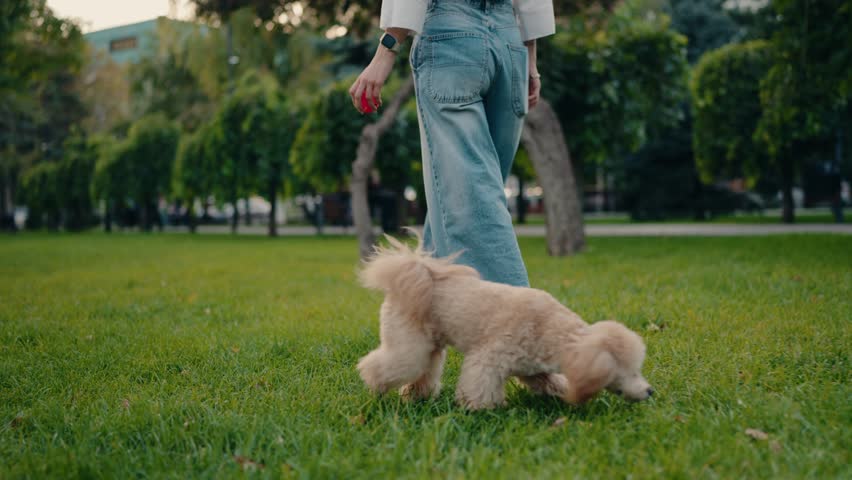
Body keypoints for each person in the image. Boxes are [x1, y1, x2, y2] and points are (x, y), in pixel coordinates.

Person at [349, 0, 555, 287]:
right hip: (511, 42)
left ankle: (520, 320)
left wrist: (387, 49)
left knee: (472, 196)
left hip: (453, 37)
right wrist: (530, 59)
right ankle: (424, 316)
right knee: (458, 192)